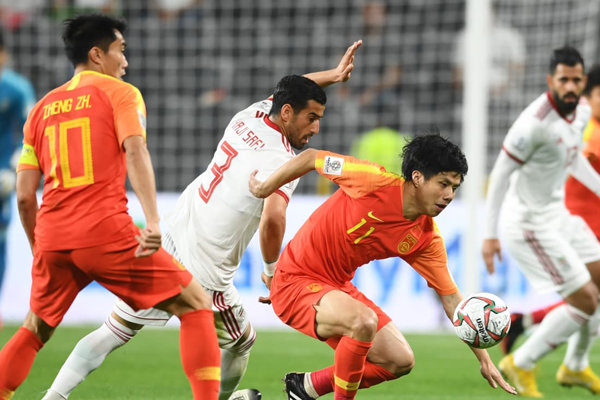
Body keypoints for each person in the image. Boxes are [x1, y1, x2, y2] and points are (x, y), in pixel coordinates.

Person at [41, 41, 363, 400]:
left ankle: (53, 395)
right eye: (312, 118)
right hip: (206, 266)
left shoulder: (251, 115)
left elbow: (289, 88)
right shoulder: (284, 161)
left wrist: (332, 77)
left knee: (116, 329)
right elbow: (273, 218)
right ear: (287, 113)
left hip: (174, 233)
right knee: (241, 340)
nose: (316, 129)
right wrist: (271, 272)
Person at [0, 14, 222, 400]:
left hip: (52, 236)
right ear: (97, 54)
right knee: (196, 303)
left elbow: (23, 195)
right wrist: (153, 220)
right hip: (103, 232)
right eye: (121, 50)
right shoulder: (122, 94)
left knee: (34, 329)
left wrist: (40, 250)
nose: (126, 61)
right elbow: (135, 150)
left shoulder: (40, 109)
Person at [249, 134, 516, 399]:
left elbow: (452, 300)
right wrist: (264, 189)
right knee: (363, 320)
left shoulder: (424, 238)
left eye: (454, 188)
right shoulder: (370, 180)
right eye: (443, 183)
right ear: (418, 177)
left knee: (399, 359)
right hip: (295, 279)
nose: (448, 196)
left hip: (337, 288)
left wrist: (484, 359)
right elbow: (310, 158)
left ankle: (307, 387)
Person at [482, 46, 600, 398]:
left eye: (576, 80)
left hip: (558, 215)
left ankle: (575, 366)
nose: (570, 86)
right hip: (529, 225)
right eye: (563, 79)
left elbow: (571, 157)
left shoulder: (580, 112)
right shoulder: (532, 124)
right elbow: (501, 175)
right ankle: (521, 362)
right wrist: (489, 235)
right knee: (584, 300)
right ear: (551, 80)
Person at [0, 28, 36, 320]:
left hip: (2, 176)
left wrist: (16, 163)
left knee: (0, 237)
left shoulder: (17, 88)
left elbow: (31, 132)